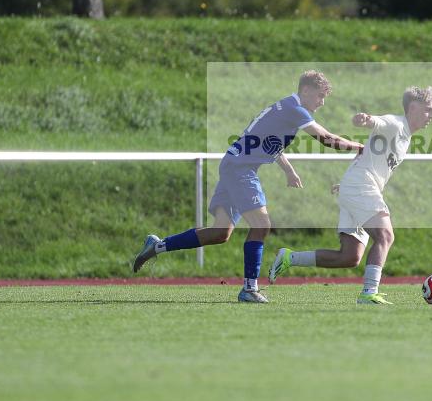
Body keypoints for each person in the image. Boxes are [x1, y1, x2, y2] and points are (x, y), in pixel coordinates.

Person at [133, 70, 364, 303]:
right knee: (261, 224)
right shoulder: (295, 109)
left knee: (221, 232)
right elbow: (325, 138)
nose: (322, 102)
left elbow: (268, 141)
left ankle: (157, 246)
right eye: (320, 96)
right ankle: (249, 288)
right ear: (305, 91)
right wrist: (359, 147)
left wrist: (288, 170)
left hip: (233, 164)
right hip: (240, 169)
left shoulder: (284, 108)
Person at [268, 86, 432, 305]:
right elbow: (377, 122)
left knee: (349, 256)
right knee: (385, 236)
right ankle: (369, 293)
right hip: (361, 187)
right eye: (428, 110)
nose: (431, 116)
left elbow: (368, 156)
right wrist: (365, 120)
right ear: (413, 108)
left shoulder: (407, 138)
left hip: (357, 187)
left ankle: (290, 258)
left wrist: (347, 184)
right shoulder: (395, 124)